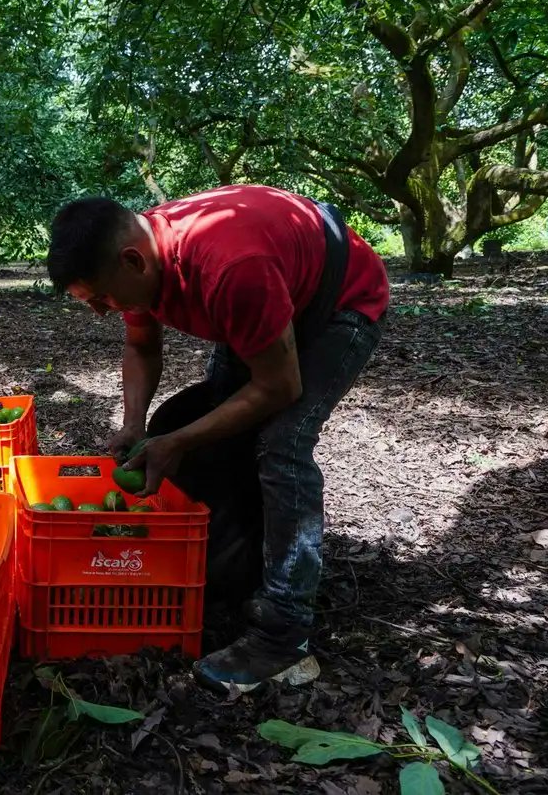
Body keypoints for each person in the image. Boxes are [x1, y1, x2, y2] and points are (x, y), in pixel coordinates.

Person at [46, 185, 389, 693]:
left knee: (281, 445)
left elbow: (280, 385)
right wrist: (135, 423)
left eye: (101, 298)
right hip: (270, 296)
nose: (101, 310)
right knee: (194, 423)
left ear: (133, 262)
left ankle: (283, 635)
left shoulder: (229, 267)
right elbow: (141, 347)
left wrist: (179, 442)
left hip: (339, 301)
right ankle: (234, 569)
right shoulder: (140, 256)